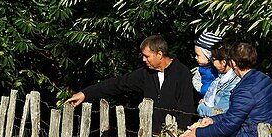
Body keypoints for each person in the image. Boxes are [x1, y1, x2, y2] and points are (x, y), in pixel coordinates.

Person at [65, 35, 197, 129]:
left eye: (147, 56)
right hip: (150, 136)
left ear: (159, 54)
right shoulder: (146, 74)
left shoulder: (182, 73)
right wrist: (85, 94)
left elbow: (187, 108)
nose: (144, 60)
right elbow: (118, 84)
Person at [192, 31, 222, 98]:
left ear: (208, 55)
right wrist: (200, 89)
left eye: (198, 55)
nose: (195, 57)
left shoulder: (218, 68)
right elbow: (196, 79)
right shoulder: (201, 68)